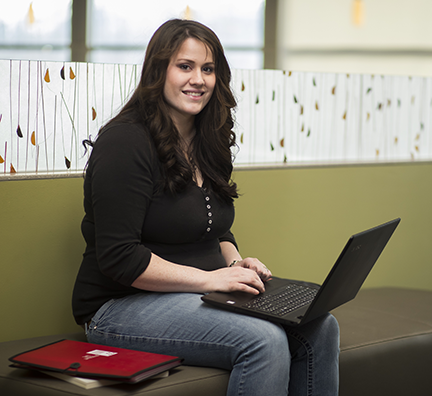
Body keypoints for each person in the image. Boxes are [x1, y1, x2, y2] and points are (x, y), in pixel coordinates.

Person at [72, 19, 339, 396]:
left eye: (208, 69)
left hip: (197, 295)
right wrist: (213, 280)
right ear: (158, 71)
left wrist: (235, 265)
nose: (198, 79)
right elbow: (120, 258)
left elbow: (218, 230)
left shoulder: (208, 140)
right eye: (185, 66)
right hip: (119, 306)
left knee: (320, 325)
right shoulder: (124, 142)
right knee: (264, 341)